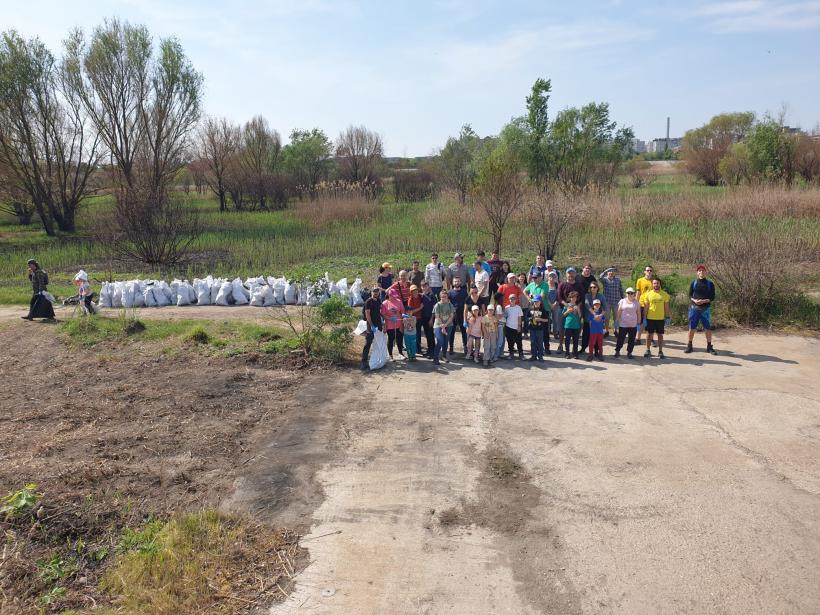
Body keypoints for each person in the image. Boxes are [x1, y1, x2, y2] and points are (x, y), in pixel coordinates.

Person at [686, 265, 718, 355]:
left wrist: (704, 301)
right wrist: (695, 300)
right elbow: (690, 295)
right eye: (699, 271)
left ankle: (709, 346)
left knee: (707, 328)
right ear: (697, 273)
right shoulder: (694, 283)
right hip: (694, 309)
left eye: (703, 270)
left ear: (705, 272)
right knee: (692, 328)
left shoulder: (710, 284)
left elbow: (712, 297)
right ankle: (689, 345)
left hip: (705, 310)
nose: (701, 272)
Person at [640, 278, 670, 359]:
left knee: (660, 335)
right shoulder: (648, 294)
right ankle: (647, 350)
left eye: (657, 283)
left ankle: (660, 351)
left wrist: (667, 317)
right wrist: (644, 318)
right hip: (650, 318)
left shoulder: (664, 294)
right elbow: (646, 307)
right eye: (654, 283)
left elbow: (666, 307)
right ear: (652, 285)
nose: (656, 285)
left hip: (660, 319)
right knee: (649, 334)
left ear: (660, 284)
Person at [361, 287, 383, 370]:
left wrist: (384, 320)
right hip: (371, 325)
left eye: (377, 292)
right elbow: (367, 314)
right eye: (374, 292)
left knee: (378, 343)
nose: (376, 293)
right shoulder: (368, 302)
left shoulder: (378, 300)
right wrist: (371, 325)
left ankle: (377, 359)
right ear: (371, 292)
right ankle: (364, 362)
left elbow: (380, 312)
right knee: (368, 343)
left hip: (378, 324)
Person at [614, 288, 640, 359]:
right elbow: (619, 311)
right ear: (626, 294)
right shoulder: (622, 301)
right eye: (628, 293)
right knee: (620, 339)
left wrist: (638, 323)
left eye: (631, 293)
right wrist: (616, 320)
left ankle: (629, 352)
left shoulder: (637, 302)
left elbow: (638, 313)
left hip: (633, 324)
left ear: (634, 294)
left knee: (631, 340)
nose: (630, 294)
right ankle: (617, 351)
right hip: (623, 324)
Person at [581, 282, 606, 354]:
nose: (593, 288)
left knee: (597, 336)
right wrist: (594, 314)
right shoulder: (587, 295)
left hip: (598, 319)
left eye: (594, 287)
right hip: (588, 318)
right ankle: (583, 348)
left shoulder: (601, 296)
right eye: (591, 287)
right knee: (586, 334)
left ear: (597, 288)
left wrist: (600, 316)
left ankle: (596, 352)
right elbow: (587, 305)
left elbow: (605, 307)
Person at [381, 287, 405, 359]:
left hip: (399, 324)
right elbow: (383, 314)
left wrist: (403, 315)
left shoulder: (399, 301)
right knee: (391, 339)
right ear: (389, 295)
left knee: (400, 339)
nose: (394, 297)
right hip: (390, 325)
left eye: (395, 296)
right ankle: (390, 355)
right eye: (392, 296)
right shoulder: (385, 303)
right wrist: (389, 318)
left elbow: (402, 311)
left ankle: (401, 353)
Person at [599, 267, 624, 337]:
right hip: (607, 302)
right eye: (609, 271)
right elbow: (600, 277)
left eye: (612, 271)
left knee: (616, 318)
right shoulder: (605, 280)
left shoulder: (618, 280)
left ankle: (616, 330)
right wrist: (605, 270)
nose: (611, 273)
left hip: (617, 302)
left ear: (614, 273)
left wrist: (623, 299)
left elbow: (621, 289)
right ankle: (606, 331)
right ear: (607, 273)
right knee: (607, 318)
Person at [431, 289, 454, 365]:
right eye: (442, 297)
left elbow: (451, 316)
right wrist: (442, 327)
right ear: (440, 297)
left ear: (447, 297)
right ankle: (435, 357)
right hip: (438, 325)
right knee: (440, 341)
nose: (443, 298)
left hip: (448, 325)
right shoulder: (437, 305)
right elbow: (437, 317)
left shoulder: (450, 305)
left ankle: (444, 356)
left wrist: (445, 325)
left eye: (445, 297)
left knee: (445, 341)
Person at [448, 277, 468, 355]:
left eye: (458, 281)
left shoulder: (464, 292)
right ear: (453, 283)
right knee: (452, 331)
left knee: (463, 331)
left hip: (462, 314)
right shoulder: (450, 292)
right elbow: (447, 303)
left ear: (461, 282)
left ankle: (465, 347)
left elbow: (467, 303)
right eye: (455, 281)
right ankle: (451, 347)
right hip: (453, 314)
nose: (457, 283)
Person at [635, 264, 654, 343]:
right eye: (647, 270)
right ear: (644, 272)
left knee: (651, 323)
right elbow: (638, 293)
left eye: (650, 270)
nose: (649, 272)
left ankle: (651, 339)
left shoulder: (654, 281)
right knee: (640, 322)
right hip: (642, 304)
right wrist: (635, 304)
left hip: (651, 305)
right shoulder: (640, 280)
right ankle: (638, 339)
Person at [528, 295, 550, 362]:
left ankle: (540, 356)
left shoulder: (543, 310)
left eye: (537, 301)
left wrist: (540, 319)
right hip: (532, 329)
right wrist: (531, 319)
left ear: (540, 302)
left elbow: (547, 320)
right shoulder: (530, 309)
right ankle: (533, 356)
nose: (536, 303)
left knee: (540, 343)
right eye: (535, 301)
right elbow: (527, 318)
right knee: (533, 342)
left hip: (540, 329)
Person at [503, 293, 524, 359]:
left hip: (516, 327)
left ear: (516, 299)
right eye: (511, 298)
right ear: (509, 299)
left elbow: (519, 317)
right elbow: (505, 317)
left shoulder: (518, 308)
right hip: (508, 327)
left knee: (519, 341)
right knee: (510, 341)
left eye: (513, 298)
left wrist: (519, 326)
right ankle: (511, 354)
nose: (512, 300)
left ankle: (521, 354)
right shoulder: (506, 308)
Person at [562, 291, 582, 359]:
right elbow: (563, 315)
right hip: (568, 325)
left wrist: (578, 310)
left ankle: (575, 353)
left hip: (576, 326)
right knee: (567, 340)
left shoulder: (577, 306)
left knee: (575, 340)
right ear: (570, 298)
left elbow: (579, 317)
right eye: (572, 297)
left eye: (575, 297)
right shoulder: (567, 305)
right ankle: (567, 353)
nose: (574, 299)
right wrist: (568, 311)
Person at [547, 271, 563, 349]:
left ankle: (555, 332)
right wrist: (550, 304)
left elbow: (559, 295)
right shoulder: (546, 285)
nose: (552, 278)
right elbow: (545, 296)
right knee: (547, 319)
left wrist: (555, 303)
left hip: (556, 304)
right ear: (548, 277)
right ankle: (547, 333)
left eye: (553, 276)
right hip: (547, 304)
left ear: (555, 277)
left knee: (556, 319)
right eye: (550, 276)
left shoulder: (557, 285)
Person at [407, 285, 424, 355]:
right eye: (413, 291)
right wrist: (420, 308)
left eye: (416, 290)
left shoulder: (420, 296)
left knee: (419, 334)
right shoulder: (410, 299)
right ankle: (417, 349)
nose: (415, 292)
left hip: (420, 318)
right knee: (415, 334)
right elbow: (410, 312)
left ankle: (418, 348)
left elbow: (423, 294)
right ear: (411, 292)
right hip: (413, 319)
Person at [420, 282, 436, 357]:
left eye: (425, 286)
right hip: (423, 318)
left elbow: (435, 308)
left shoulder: (432, 296)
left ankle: (432, 351)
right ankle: (429, 350)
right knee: (427, 334)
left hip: (430, 318)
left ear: (428, 286)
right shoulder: (421, 296)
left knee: (430, 335)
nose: (424, 288)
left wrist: (431, 319)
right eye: (422, 286)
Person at [481, 302, 499, 366]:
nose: (490, 311)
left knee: (493, 346)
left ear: (493, 311)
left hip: (493, 333)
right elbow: (483, 327)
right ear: (487, 310)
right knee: (487, 347)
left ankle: (491, 358)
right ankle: (485, 359)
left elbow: (496, 326)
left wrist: (496, 334)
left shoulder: (494, 318)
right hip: (487, 333)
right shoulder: (484, 318)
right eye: (489, 310)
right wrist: (485, 334)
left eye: (492, 310)